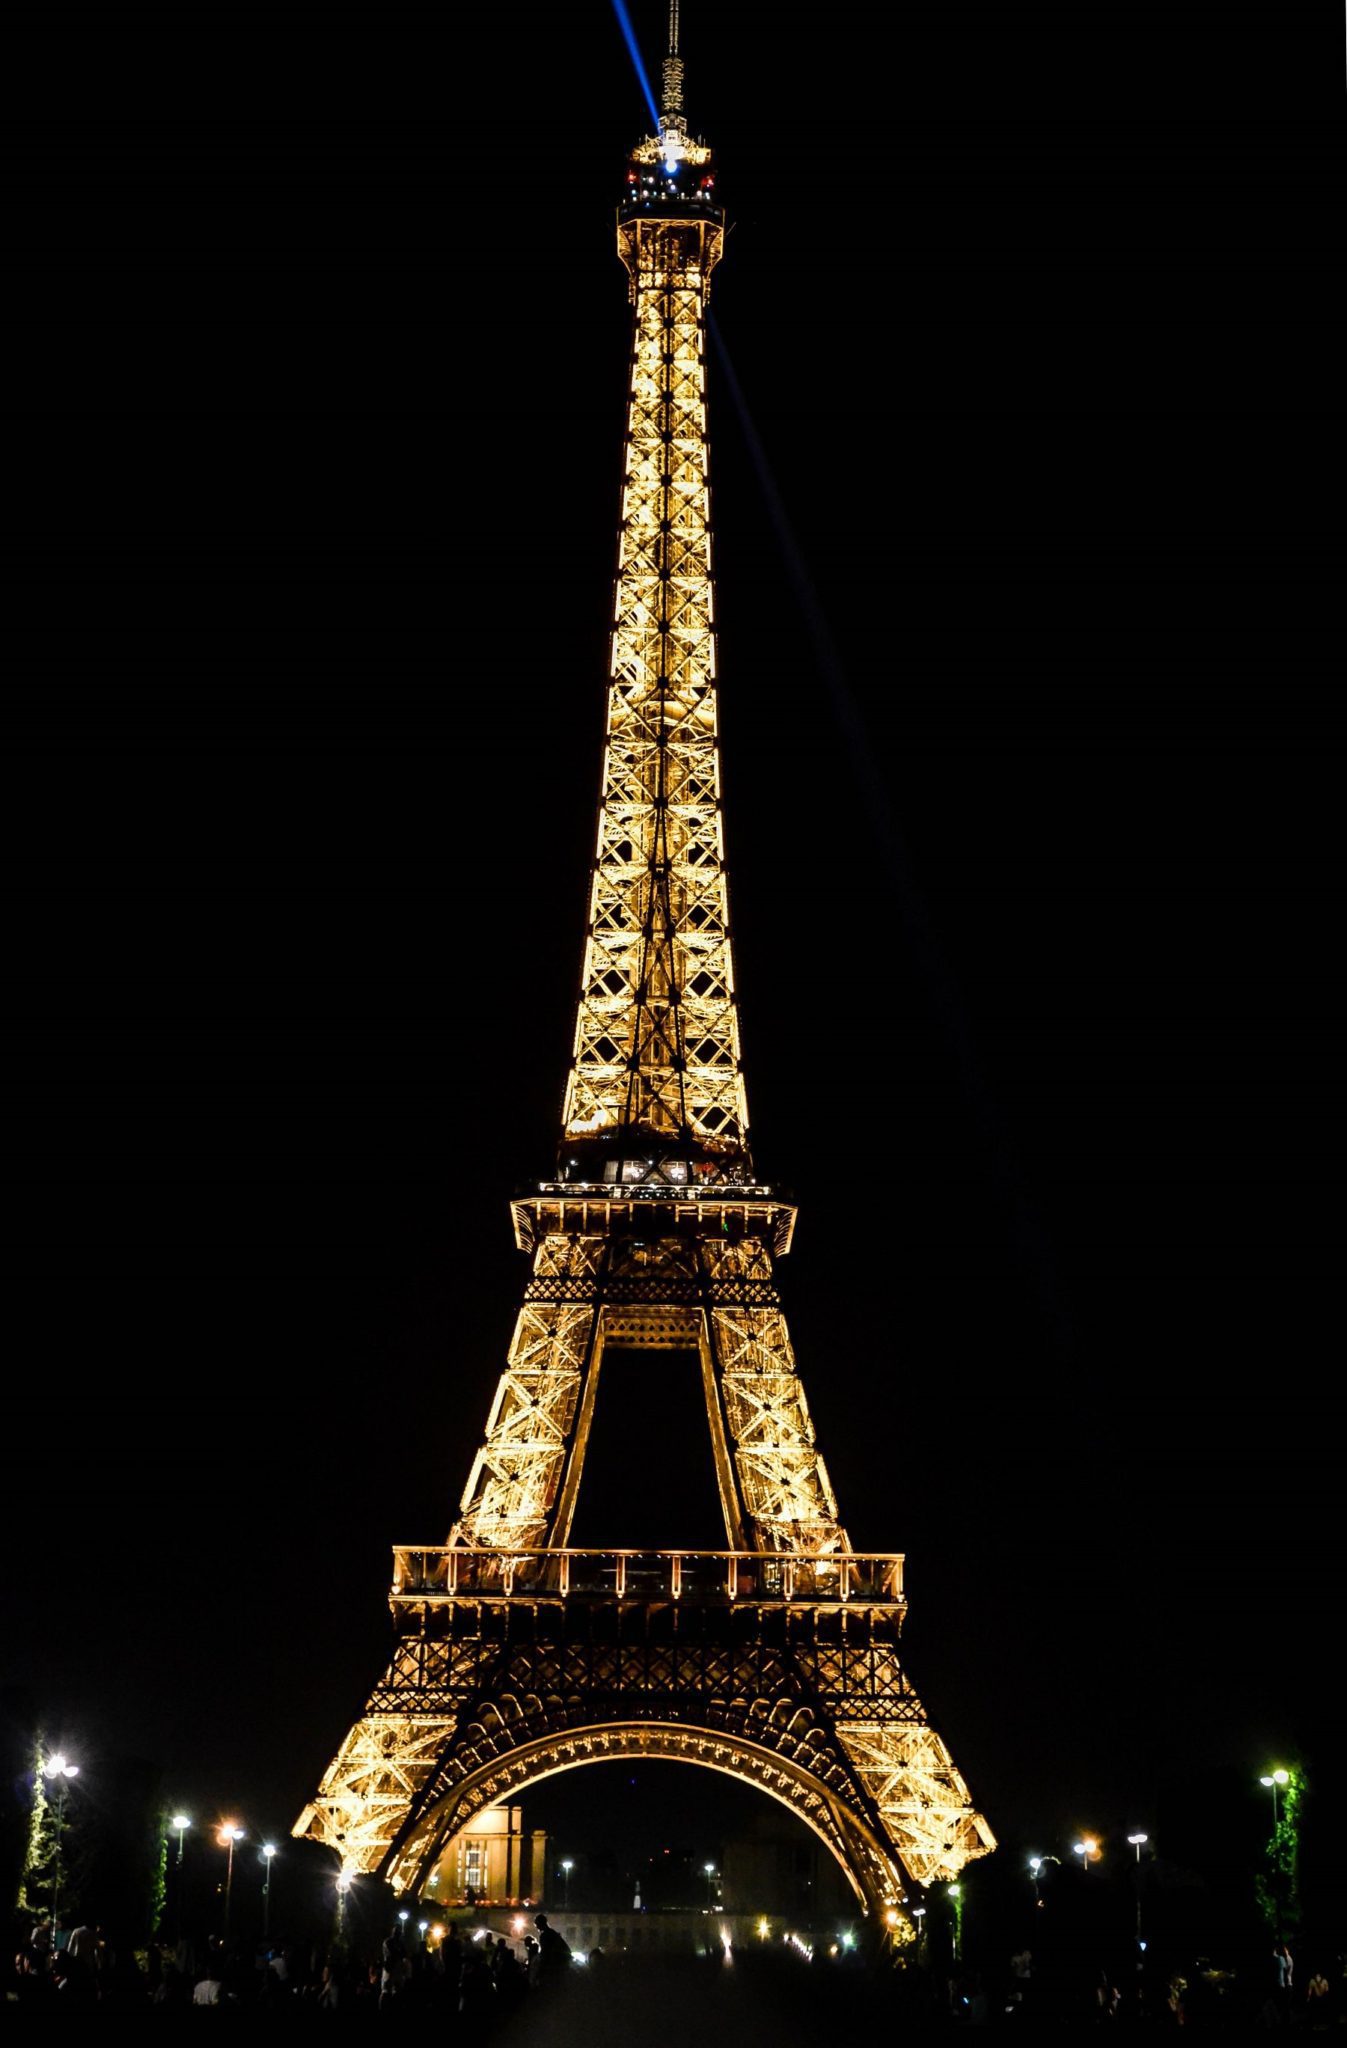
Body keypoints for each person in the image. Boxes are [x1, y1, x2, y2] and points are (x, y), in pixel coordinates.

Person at [530, 1912, 572, 1992]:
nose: (536, 1927)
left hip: (555, 1967)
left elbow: (545, 1954)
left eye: (537, 1924)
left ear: (539, 1924)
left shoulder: (545, 1935)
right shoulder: (552, 1933)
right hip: (561, 1965)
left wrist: (539, 1972)